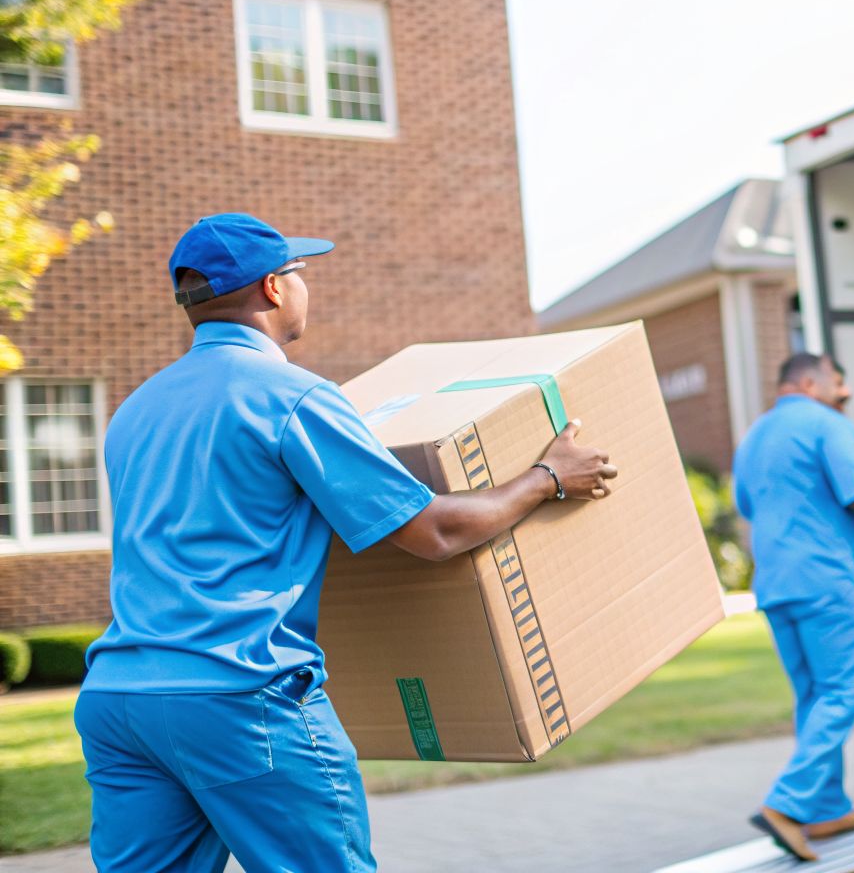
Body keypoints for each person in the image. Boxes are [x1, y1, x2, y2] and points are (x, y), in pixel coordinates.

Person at [75, 214, 617, 873]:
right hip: (240, 698)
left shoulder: (135, 410)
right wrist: (549, 477)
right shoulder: (290, 396)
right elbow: (435, 533)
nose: (305, 287)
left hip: (119, 700)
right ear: (274, 288)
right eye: (300, 274)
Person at [733, 353, 854, 862]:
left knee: (813, 697)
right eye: (838, 382)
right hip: (824, 580)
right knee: (839, 692)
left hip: (774, 583)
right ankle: (787, 803)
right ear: (811, 382)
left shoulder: (754, 436)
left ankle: (827, 808)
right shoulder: (826, 424)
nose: (844, 391)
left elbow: (748, 505)